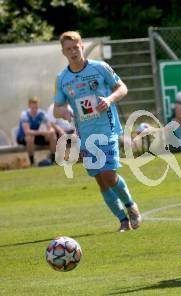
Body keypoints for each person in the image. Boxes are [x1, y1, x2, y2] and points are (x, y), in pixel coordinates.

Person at [53, 31, 141, 232]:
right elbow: (57, 107)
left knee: (109, 175)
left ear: (82, 46)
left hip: (107, 130)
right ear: (63, 52)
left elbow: (122, 88)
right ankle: (122, 220)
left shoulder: (100, 68)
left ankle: (130, 206)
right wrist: (63, 111)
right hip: (85, 136)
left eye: (76, 47)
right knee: (100, 180)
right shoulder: (62, 79)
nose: (73, 52)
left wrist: (109, 99)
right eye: (69, 49)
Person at [16, 96, 57, 166]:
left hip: (35, 136)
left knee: (52, 135)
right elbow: (27, 132)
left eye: (36, 107)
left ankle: (53, 160)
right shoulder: (24, 115)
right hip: (23, 137)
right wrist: (43, 133)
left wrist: (50, 132)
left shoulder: (42, 114)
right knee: (30, 137)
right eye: (33, 107)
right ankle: (32, 163)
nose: (35, 109)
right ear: (29, 106)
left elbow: (50, 128)